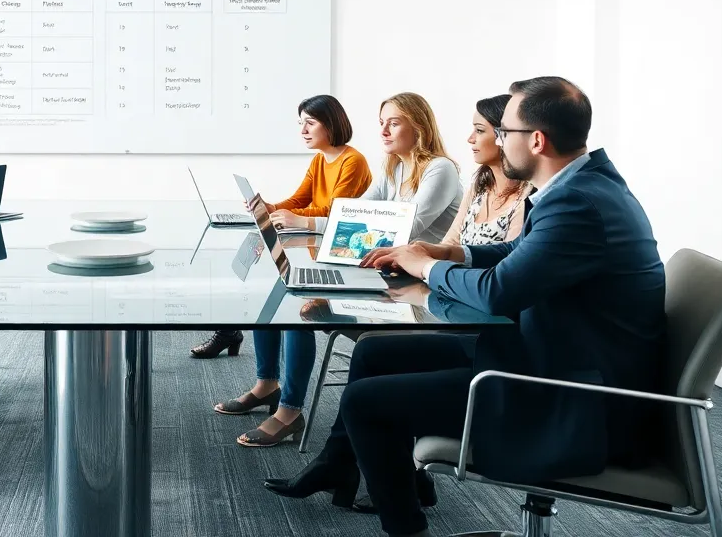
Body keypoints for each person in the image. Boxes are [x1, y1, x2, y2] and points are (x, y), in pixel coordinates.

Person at [266, 77, 666, 537]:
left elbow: (500, 292)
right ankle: (342, 467)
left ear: (535, 140)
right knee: (374, 353)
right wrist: (451, 254)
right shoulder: (581, 187)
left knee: (363, 402)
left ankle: (406, 527)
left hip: (573, 395)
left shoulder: (578, 202)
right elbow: (520, 253)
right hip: (549, 353)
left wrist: (426, 269)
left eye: (504, 133)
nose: (495, 140)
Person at [211, 95, 371, 447]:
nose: (303, 129)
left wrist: (299, 217)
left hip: (344, 258)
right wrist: (269, 207)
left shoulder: (353, 161)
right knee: (270, 297)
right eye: (301, 122)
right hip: (318, 252)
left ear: (331, 123)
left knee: (297, 313)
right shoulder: (319, 160)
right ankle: (266, 384)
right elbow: (300, 200)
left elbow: (337, 210)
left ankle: (290, 410)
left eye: (309, 122)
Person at [312, 92, 462, 242]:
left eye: (393, 124)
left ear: (419, 128)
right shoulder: (392, 170)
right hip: (400, 259)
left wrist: (309, 222)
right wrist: (303, 222)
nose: (383, 132)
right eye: (382, 123)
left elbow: (406, 229)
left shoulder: (441, 168)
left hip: (434, 263)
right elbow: (355, 214)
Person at [439, 94, 532, 246]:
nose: (470, 138)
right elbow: (450, 242)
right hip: (456, 269)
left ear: (504, 135)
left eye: (480, 130)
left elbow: (509, 260)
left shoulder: (528, 196)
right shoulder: (478, 187)